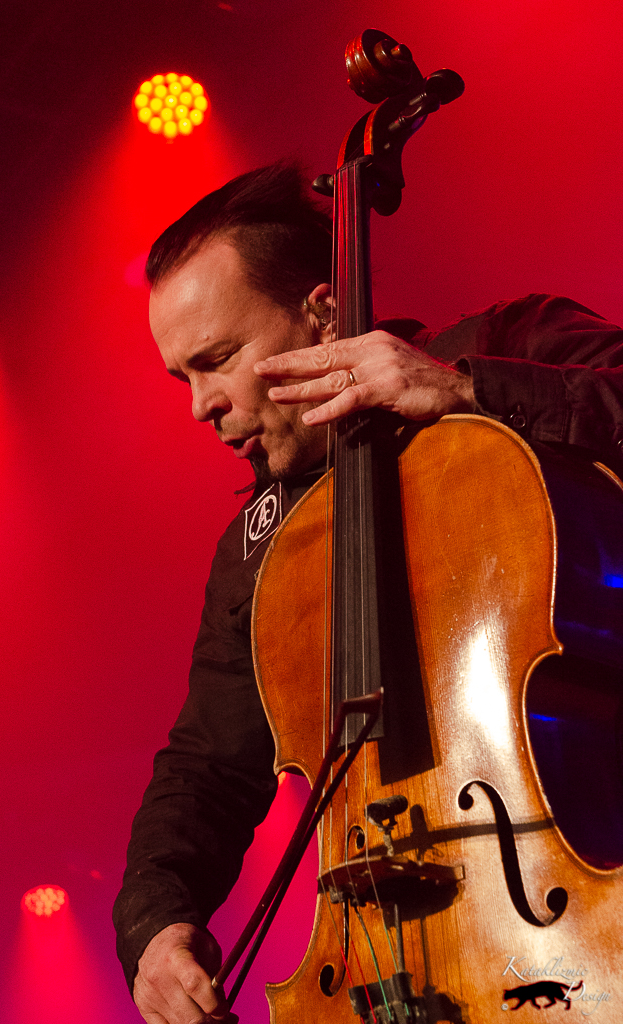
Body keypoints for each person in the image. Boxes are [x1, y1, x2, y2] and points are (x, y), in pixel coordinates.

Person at [113, 162, 623, 1024]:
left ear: (321, 310)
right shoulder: (261, 543)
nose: (202, 405)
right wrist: (157, 924)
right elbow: (206, 766)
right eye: (182, 379)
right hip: (370, 956)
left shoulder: (514, 340)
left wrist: (468, 392)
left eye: (218, 360)